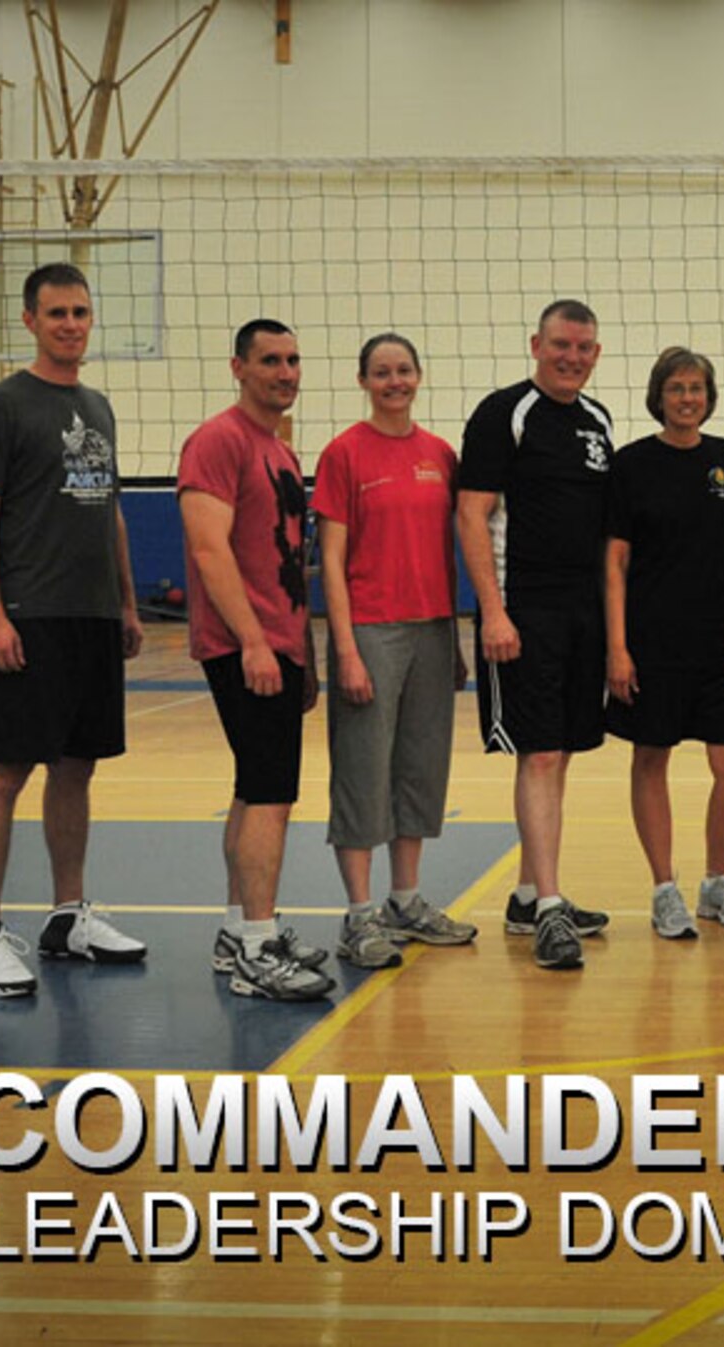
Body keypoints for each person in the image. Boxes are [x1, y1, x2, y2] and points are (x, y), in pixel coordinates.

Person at [0, 262, 148, 997]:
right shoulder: (0, 405)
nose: (71, 323)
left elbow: (112, 510)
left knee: (77, 766)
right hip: (28, 614)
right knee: (5, 769)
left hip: (92, 616)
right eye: (57, 312)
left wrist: (127, 604)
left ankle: (68, 915)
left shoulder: (97, 405)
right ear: (30, 320)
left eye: (81, 312)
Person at [458, 299, 617, 972]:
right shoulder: (504, 414)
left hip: (584, 613)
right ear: (536, 343)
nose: (571, 357)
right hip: (524, 611)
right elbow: (472, 515)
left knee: (563, 752)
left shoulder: (597, 421)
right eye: (560, 345)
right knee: (541, 755)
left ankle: (529, 894)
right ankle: (550, 905)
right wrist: (493, 611)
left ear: (595, 354)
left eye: (583, 348)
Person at [313, 333, 479, 970]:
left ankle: (404, 901)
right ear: (364, 382)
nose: (394, 382)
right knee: (363, 772)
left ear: (418, 376)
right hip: (372, 632)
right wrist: (346, 648)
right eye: (381, 373)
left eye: (403, 370)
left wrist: (456, 638)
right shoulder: (343, 455)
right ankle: (359, 917)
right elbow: (331, 560)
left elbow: (449, 551)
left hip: (433, 631)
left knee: (419, 770)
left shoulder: (440, 453)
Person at [179, 318, 333, 1001]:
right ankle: (256, 949)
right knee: (272, 793)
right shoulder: (218, 440)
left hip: (279, 641)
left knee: (254, 788)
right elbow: (211, 550)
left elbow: (285, 562)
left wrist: (301, 649)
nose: (286, 371)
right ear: (238, 367)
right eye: (271, 359)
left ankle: (239, 929)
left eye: (294, 359)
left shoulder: (275, 447)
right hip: (247, 644)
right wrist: (252, 641)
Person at [606, 348, 724, 940]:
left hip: (723, 643)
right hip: (653, 640)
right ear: (658, 396)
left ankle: (716, 882)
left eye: (696, 388)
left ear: (709, 396)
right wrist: (617, 647)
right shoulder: (632, 465)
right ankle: (664, 888)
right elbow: (614, 562)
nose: (687, 398)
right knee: (651, 758)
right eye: (676, 388)